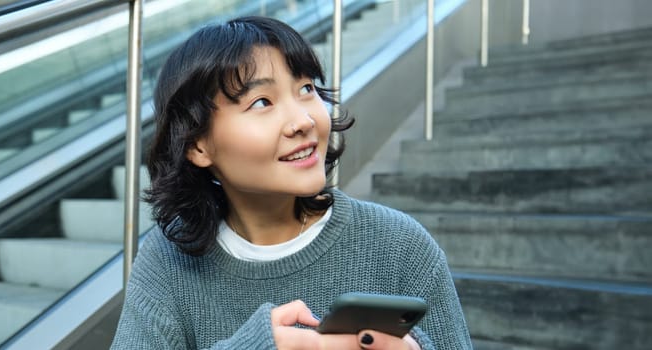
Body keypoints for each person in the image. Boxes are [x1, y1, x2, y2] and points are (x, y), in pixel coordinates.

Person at [111, 16, 471, 350]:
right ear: (197, 144)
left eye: (306, 88)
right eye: (262, 101)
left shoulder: (399, 244)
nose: (303, 120)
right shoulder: (167, 259)